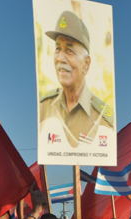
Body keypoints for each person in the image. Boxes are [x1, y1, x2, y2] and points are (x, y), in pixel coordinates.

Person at [39, 10, 114, 148]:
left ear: (86, 64)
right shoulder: (43, 107)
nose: (60, 58)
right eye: (57, 48)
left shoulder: (103, 117)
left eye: (69, 51)